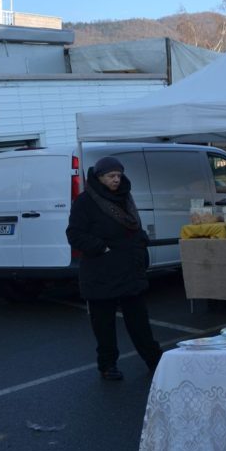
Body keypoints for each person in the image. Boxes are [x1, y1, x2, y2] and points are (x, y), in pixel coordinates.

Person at [66, 156, 162, 381]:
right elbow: (74, 234)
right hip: (101, 272)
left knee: (139, 321)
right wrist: (101, 247)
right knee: (104, 325)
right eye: (111, 176)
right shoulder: (85, 202)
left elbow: (131, 226)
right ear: (99, 177)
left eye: (119, 175)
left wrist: (141, 239)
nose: (116, 180)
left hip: (129, 270)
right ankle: (107, 365)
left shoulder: (124, 198)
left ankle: (154, 359)